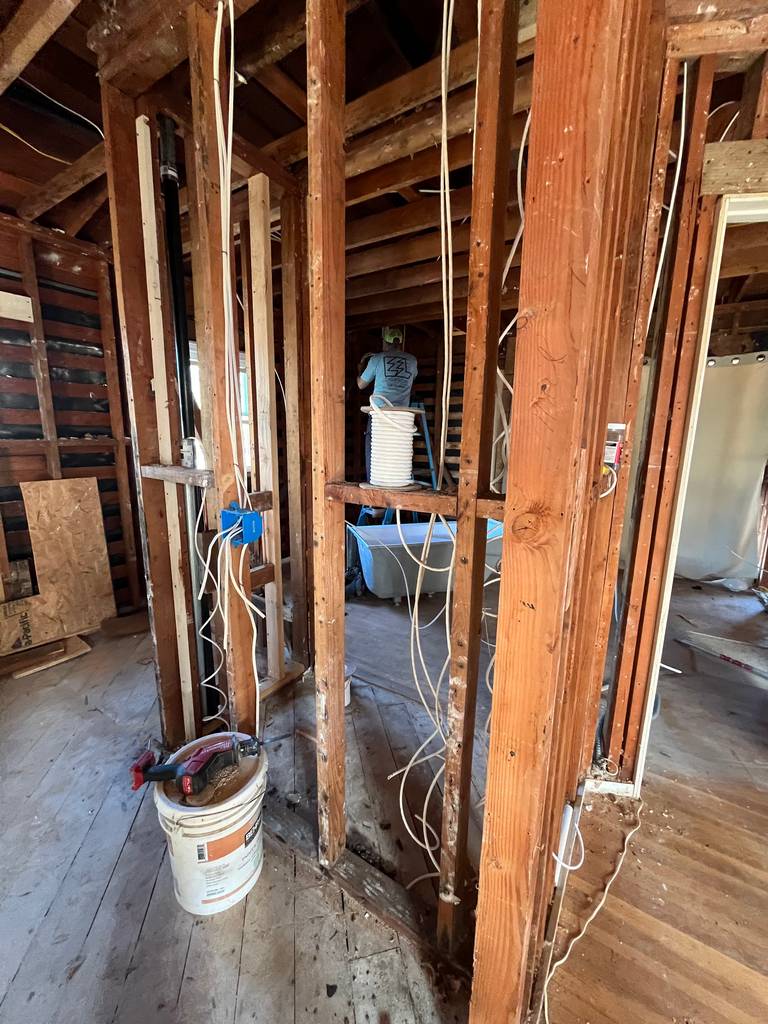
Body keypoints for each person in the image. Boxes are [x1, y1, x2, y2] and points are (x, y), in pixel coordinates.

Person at [357, 326, 418, 482]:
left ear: (385, 342)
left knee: (375, 449)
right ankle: (398, 479)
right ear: (400, 342)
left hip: (380, 413)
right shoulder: (412, 360)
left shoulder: (376, 359)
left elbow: (361, 385)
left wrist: (360, 370)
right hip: (402, 414)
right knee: (398, 451)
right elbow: (413, 378)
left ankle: (374, 481)